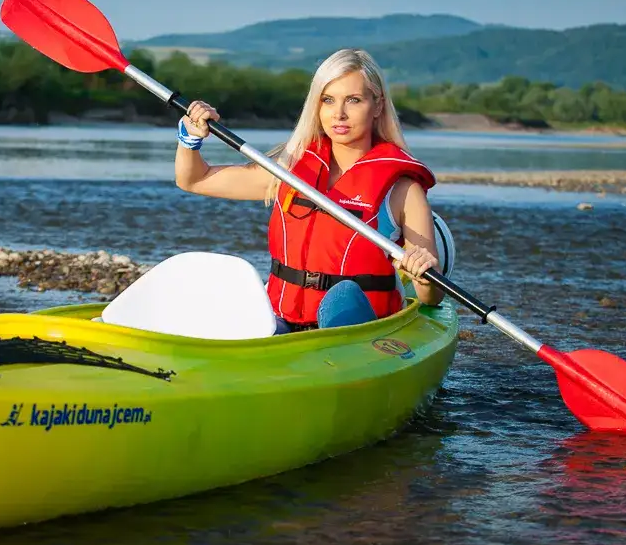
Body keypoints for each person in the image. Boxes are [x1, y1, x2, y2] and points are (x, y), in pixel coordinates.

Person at [174, 48, 446, 333]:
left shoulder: (402, 189)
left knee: (343, 298)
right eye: (328, 100)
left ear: (377, 106)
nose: (339, 114)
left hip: (358, 333)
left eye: (353, 100)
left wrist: (425, 277)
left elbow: (432, 296)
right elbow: (195, 180)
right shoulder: (288, 170)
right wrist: (189, 137)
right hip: (283, 319)